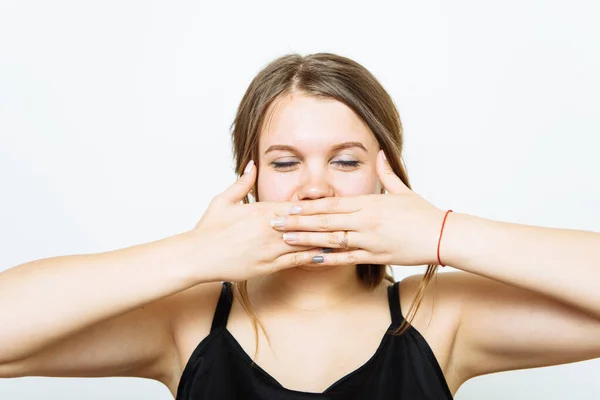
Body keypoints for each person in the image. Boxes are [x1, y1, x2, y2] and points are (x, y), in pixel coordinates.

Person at [1, 52, 599, 400]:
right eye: (286, 163)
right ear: (250, 177)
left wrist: (442, 233)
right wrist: (192, 256)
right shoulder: (187, 320)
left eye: (346, 161)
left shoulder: (436, 316)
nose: (316, 187)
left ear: (385, 175)